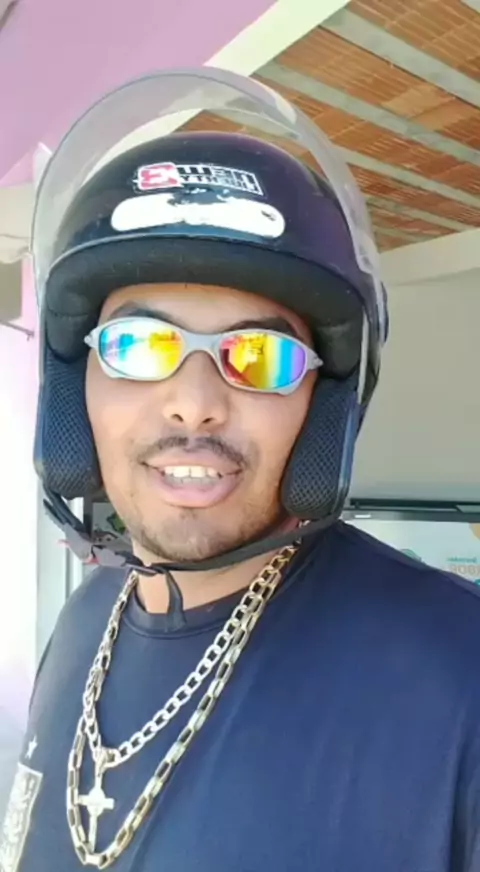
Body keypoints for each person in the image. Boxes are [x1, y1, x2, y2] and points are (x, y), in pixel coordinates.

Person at [1, 67, 479, 872]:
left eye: (258, 355)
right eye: (138, 345)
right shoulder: (84, 623)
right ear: (76, 387)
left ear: (323, 405)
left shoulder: (461, 673)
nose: (194, 405)